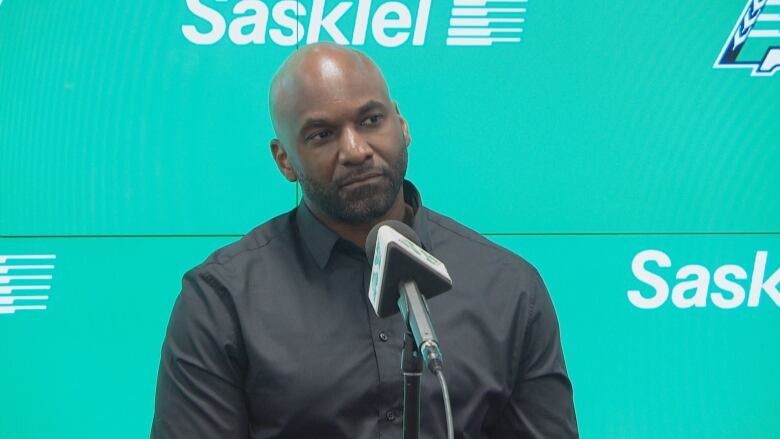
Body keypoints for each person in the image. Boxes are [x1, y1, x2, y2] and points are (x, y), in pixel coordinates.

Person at [151, 43, 578, 438]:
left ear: (403, 125)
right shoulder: (222, 299)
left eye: (371, 120)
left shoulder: (508, 288)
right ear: (284, 160)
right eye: (322, 134)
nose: (355, 150)